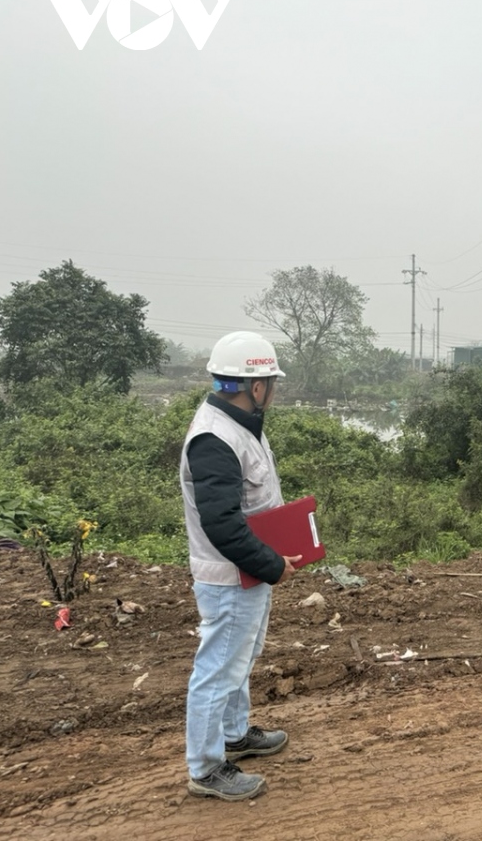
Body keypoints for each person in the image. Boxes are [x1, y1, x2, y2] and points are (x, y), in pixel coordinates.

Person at [180, 330, 301, 801]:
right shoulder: (215, 439)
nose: (273, 389)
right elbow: (224, 526)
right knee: (218, 668)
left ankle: (233, 735)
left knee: (239, 660)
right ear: (255, 386)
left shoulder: (240, 424)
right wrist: (271, 564)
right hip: (231, 576)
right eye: (270, 381)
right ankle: (207, 768)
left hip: (246, 573)